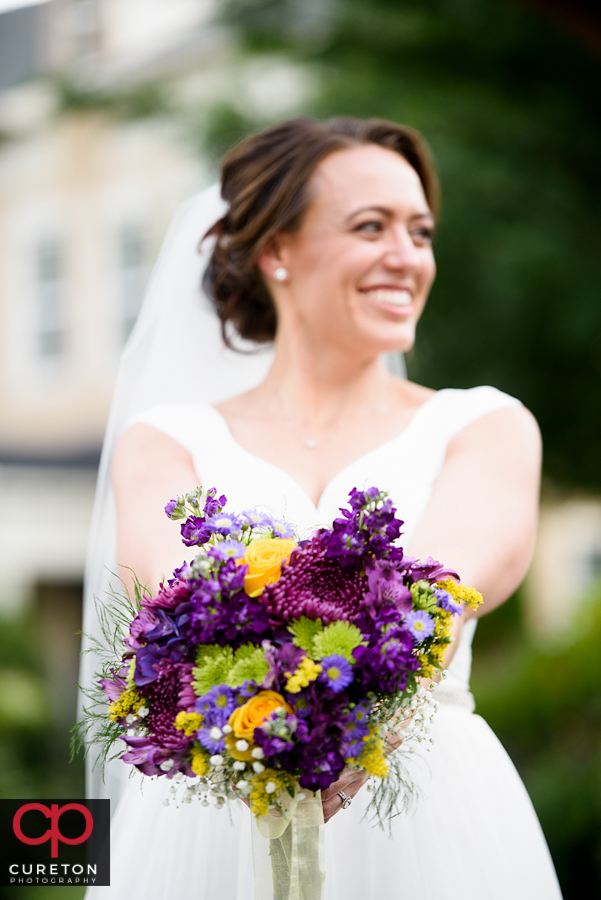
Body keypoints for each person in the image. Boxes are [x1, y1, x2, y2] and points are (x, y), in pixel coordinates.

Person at [84, 117, 562, 898]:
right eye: (369, 226)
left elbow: (437, 592)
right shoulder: (165, 441)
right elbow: (176, 612)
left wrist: (345, 711)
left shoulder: (482, 426)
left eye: (420, 230)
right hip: (211, 815)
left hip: (427, 819)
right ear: (276, 250)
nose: (407, 257)